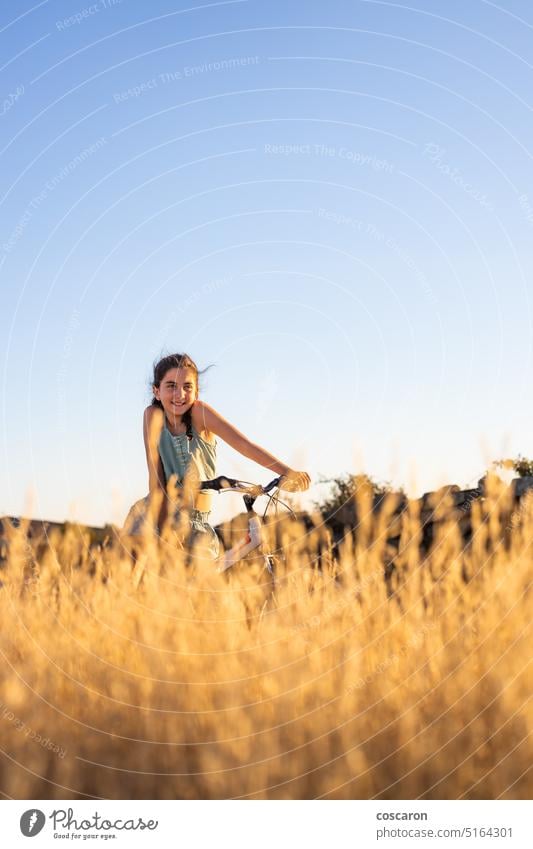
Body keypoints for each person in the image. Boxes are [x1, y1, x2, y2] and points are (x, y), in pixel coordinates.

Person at [123, 352, 311, 558]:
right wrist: (164, 527)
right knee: (136, 576)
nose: (180, 394)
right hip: (154, 511)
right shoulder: (152, 416)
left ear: (196, 392)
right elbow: (155, 477)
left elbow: (244, 445)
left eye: (187, 386)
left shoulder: (199, 413)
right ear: (157, 391)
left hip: (197, 520)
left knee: (203, 582)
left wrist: (287, 472)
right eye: (171, 386)